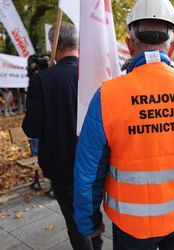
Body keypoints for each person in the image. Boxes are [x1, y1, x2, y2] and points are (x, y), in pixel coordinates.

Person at [73, 0, 174, 249]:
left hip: (131, 224)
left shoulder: (107, 95)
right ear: (173, 46)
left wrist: (88, 221)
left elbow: (89, 171)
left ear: (129, 44)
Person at [22, 22, 102, 250]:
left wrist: (39, 78)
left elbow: (32, 128)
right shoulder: (96, 74)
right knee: (92, 212)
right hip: (96, 161)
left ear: (53, 43)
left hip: (62, 164)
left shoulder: (44, 79)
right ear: (77, 43)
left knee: (75, 221)